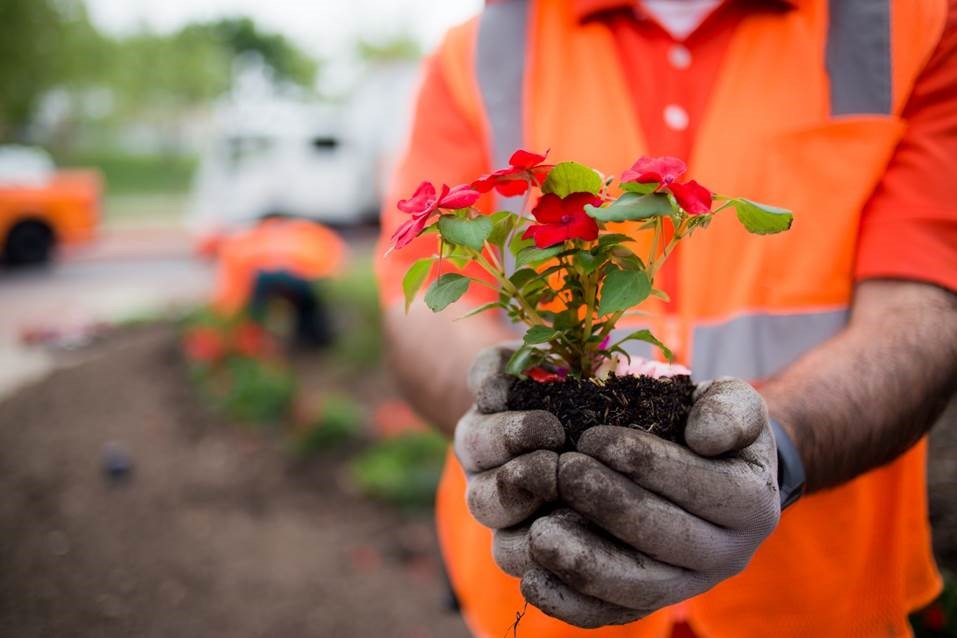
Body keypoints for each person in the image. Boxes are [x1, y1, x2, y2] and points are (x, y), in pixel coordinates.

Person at [375, 1, 957, 636]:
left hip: (813, 599)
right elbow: (429, 303)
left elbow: (926, 302)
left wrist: (772, 451)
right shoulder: (487, 42)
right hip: (541, 594)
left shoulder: (913, 22)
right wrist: (490, 408)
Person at [213, 214, 346, 347]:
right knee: (306, 307)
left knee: (259, 306)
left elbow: (235, 287)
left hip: (280, 280)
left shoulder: (246, 240)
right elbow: (331, 261)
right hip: (302, 279)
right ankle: (311, 337)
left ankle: (254, 338)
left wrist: (228, 313)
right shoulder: (306, 231)